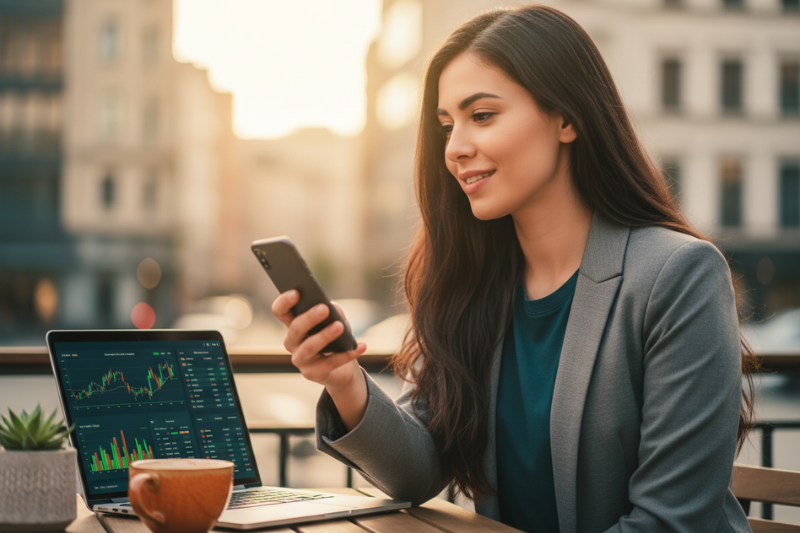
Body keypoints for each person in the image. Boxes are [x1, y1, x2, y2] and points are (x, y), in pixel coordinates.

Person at [271, 5, 757, 532]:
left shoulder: (678, 275)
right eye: (446, 125)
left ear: (567, 118)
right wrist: (345, 381)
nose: (454, 148)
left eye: (482, 116)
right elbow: (418, 471)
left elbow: (669, 523)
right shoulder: (479, 285)